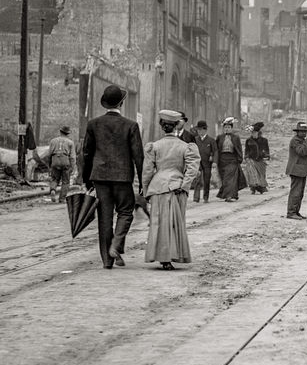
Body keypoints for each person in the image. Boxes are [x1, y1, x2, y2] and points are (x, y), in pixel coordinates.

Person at [80, 84, 144, 269]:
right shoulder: (131, 125)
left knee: (104, 218)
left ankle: (107, 260)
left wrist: (86, 179)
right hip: (123, 178)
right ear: (122, 103)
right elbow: (138, 156)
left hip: (100, 177)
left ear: (105, 103)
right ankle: (116, 244)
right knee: (125, 212)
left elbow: (87, 154)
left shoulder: (93, 124)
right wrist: (143, 180)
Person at [141, 110, 200, 270]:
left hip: (157, 188)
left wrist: (146, 191)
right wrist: (185, 185)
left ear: (162, 127)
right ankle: (172, 256)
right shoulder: (186, 147)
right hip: (177, 189)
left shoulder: (154, 146)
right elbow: (193, 168)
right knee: (175, 223)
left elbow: (147, 171)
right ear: (176, 126)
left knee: (158, 223)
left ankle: (161, 257)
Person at [285, 121, 307, 220]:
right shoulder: (295, 141)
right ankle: (291, 212)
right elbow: (302, 152)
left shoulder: (302, 140)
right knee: (295, 192)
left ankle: (296, 211)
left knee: (300, 192)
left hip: (302, 170)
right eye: (302, 131)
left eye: (305, 131)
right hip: (296, 170)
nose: (304, 133)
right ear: (297, 131)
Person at [47, 125, 76, 203]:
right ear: (68, 134)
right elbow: (72, 156)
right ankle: (62, 198)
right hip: (65, 160)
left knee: (54, 178)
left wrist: (49, 164)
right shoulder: (70, 142)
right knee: (65, 181)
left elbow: (49, 154)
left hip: (55, 160)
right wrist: (72, 167)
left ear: (60, 132)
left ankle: (53, 190)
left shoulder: (53, 141)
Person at [215, 118, 243, 201]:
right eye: (225, 127)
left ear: (231, 128)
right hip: (222, 160)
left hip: (232, 160)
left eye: (228, 127)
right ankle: (231, 194)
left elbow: (239, 148)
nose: (227, 129)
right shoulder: (220, 137)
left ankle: (229, 196)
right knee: (225, 179)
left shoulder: (236, 137)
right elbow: (216, 149)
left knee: (230, 179)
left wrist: (240, 159)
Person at [192, 120, 215, 203]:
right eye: (198, 130)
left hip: (207, 163)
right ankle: (196, 197)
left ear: (205, 130)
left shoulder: (211, 140)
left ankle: (206, 197)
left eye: (200, 130)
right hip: (198, 163)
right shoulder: (195, 140)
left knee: (206, 180)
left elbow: (215, 151)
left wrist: (214, 160)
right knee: (197, 179)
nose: (199, 131)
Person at [243, 122, 269, 194]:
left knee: (261, 174)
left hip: (261, 159)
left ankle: (262, 187)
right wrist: (246, 157)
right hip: (252, 159)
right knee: (252, 173)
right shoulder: (248, 141)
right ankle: (253, 188)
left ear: (258, 133)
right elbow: (247, 150)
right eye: (252, 132)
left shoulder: (264, 140)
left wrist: (266, 156)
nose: (253, 134)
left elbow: (266, 149)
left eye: (255, 132)